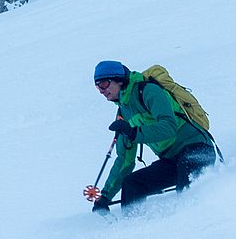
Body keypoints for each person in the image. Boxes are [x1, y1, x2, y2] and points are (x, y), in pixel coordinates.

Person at [88, 60, 217, 213]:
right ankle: (130, 228)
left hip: (196, 149)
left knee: (186, 190)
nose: (101, 91)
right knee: (132, 184)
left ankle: (188, 224)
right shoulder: (124, 113)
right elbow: (125, 159)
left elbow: (169, 127)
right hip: (170, 160)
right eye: (98, 86)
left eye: (104, 84)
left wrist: (134, 132)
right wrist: (105, 197)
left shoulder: (149, 91)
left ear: (119, 80)